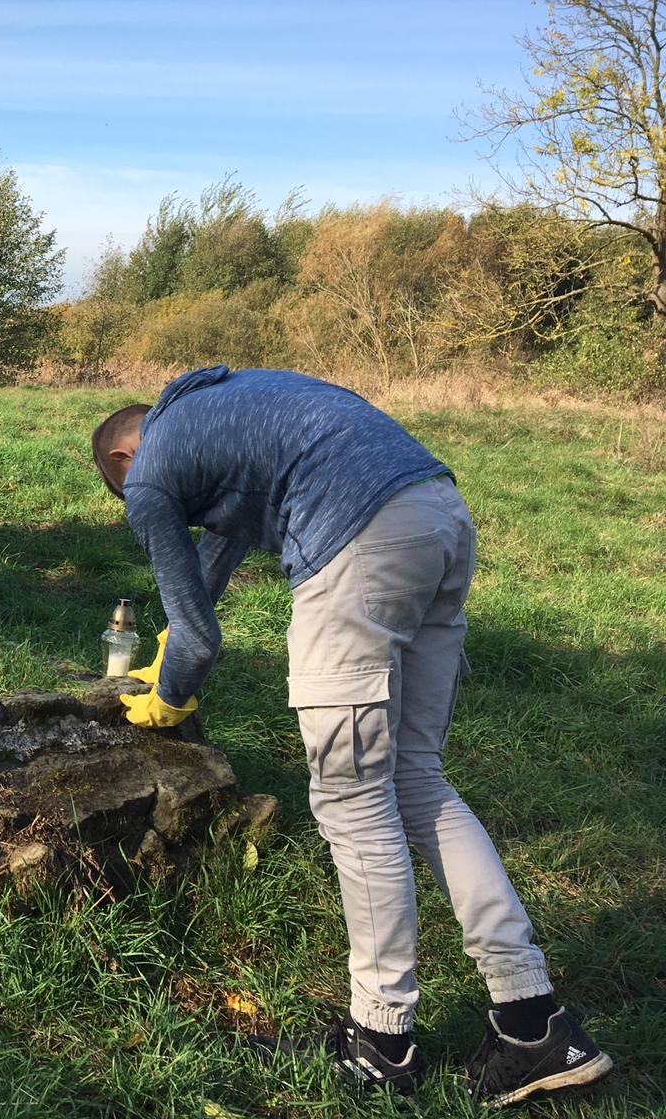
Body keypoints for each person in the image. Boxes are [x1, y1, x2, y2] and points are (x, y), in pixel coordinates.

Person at [91, 364, 613, 1106]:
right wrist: (167, 649)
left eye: (128, 498)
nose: (144, 508)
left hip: (357, 543)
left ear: (122, 460)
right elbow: (209, 567)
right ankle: (535, 1021)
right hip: (437, 513)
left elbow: (200, 641)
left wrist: (167, 697)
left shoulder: (148, 472)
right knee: (415, 779)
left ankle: (381, 1040)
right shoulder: (226, 412)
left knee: (352, 800)